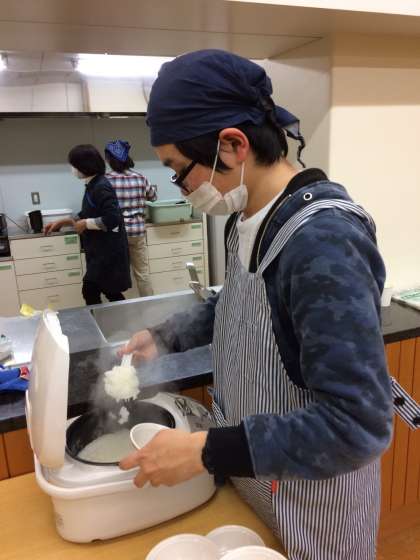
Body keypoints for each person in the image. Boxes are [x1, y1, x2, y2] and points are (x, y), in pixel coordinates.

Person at [117, 50, 394, 559]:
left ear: (233, 145)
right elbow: (241, 303)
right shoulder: (247, 219)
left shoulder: (324, 242)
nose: (183, 187)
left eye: (179, 169)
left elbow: (358, 425)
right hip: (257, 483)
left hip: (315, 507)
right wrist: (166, 335)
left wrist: (206, 450)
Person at [45, 144, 131, 305]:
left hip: (107, 252)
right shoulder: (93, 185)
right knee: (107, 291)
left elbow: (113, 218)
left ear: (84, 165)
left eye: (73, 165)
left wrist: (86, 223)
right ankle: (116, 318)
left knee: (93, 290)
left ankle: (112, 318)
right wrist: (63, 221)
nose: (72, 169)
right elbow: (88, 212)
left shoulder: (101, 187)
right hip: (100, 252)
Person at [105, 140, 157, 297]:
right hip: (137, 232)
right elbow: (153, 197)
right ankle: (149, 305)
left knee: (115, 273)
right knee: (142, 273)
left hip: (116, 233)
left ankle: (119, 307)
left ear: (109, 159)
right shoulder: (140, 178)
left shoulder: (106, 180)